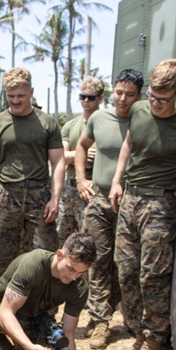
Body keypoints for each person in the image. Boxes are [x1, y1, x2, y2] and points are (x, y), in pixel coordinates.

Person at [108, 59, 176, 350]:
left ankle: (155, 343)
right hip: (130, 199)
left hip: (159, 205)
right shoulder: (138, 110)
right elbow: (129, 143)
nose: (155, 104)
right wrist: (116, 180)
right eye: (151, 96)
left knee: (153, 276)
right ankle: (138, 334)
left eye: (163, 100)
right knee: (125, 271)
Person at [0, 67, 65, 280]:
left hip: (39, 196)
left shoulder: (47, 122)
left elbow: (58, 162)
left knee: (44, 256)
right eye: (11, 96)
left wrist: (55, 199)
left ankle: (43, 311)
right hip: (6, 196)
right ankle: (4, 307)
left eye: (21, 96)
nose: (15, 101)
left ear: (31, 92)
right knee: (5, 257)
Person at [75, 70, 144, 350]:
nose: (122, 99)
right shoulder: (99, 118)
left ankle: (129, 319)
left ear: (139, 95)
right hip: (100, 200)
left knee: (126, 265)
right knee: (98, 260)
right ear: (112, 92)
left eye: (129, 94)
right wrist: (81, 179)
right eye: (118, 92)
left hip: (132, 202)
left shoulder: (145, 120)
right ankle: (100, 321)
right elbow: (81, 146)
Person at [58, 76, 102, 249]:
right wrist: (80, 155)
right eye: (82, 96)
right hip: (70, 187)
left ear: (99, 98)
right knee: (63, 235)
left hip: (94, 188)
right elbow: (60, 156)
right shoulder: (70, 126)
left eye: (90, 97)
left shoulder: (105, 123)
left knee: (90, 239)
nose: (85, 100)